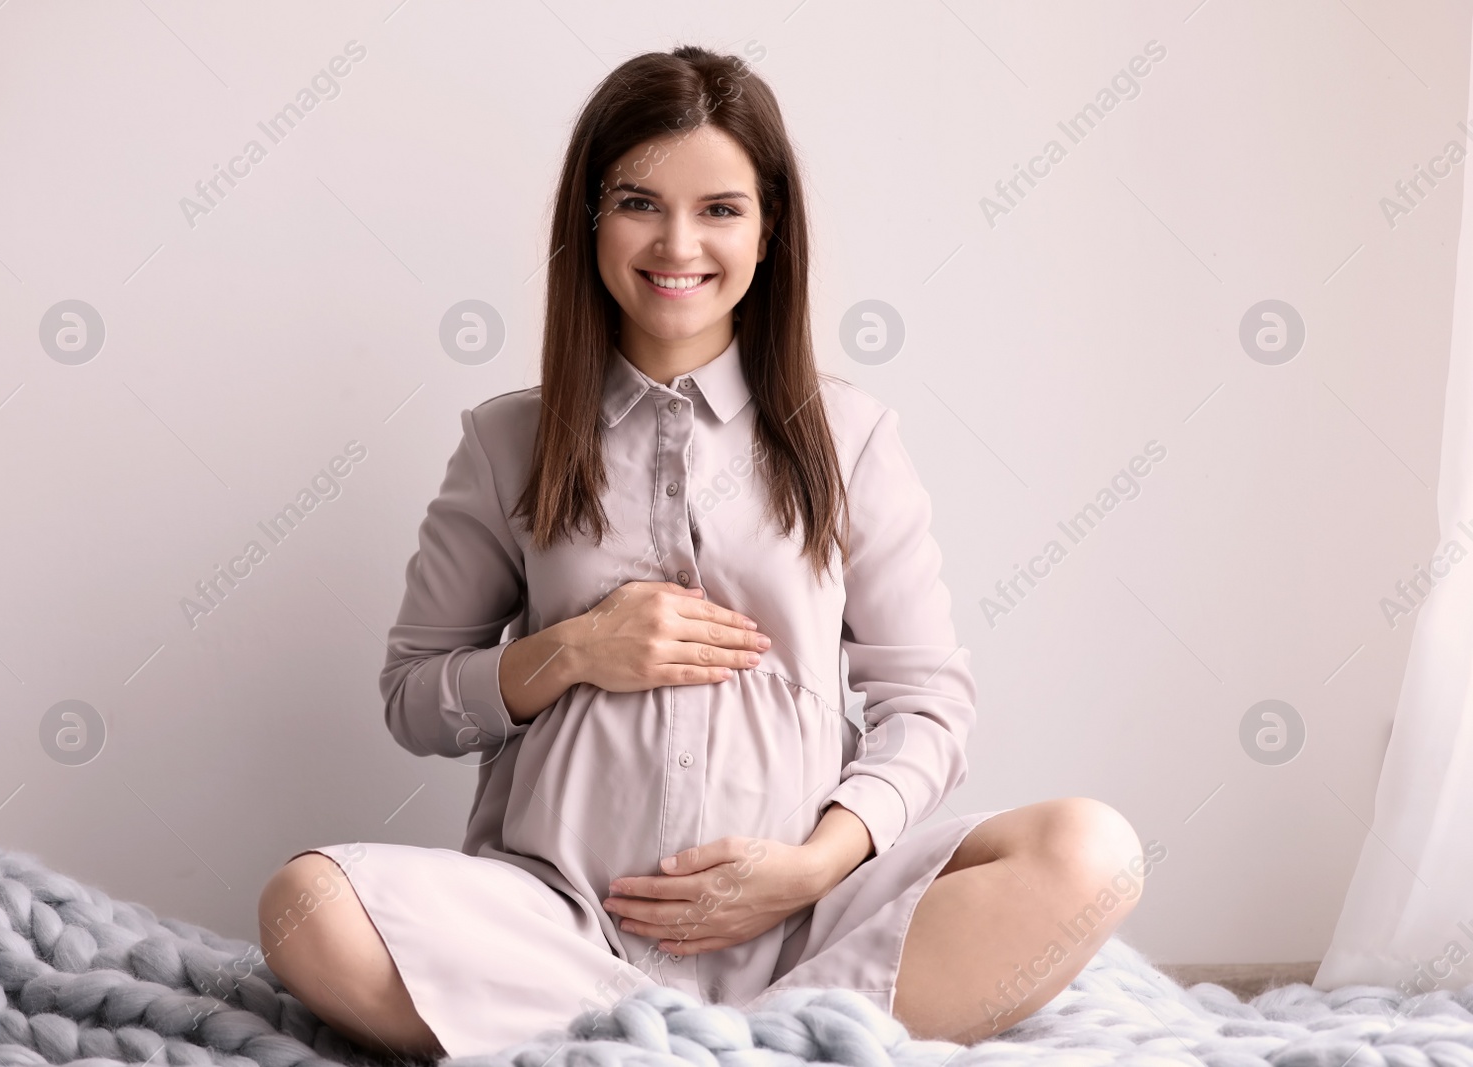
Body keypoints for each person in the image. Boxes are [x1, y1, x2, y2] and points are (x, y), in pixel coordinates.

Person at [257, 44, 1145, 1060]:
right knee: (302, 903)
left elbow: (927, 703)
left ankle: (743, 1034)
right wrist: (571, 650)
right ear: (590, 220)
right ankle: (713, 1041)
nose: (678, 241)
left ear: (768, 231)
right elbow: (413, 694)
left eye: (719, 207)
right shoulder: (507, 442)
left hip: (812, 925)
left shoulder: (846, 435)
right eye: (639, 201)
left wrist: (815, 863)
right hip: (559, 925)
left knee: (1092, 852)